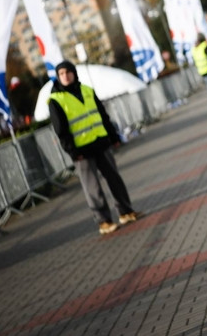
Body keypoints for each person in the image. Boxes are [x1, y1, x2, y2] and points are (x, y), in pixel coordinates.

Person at [49, 61, 139, 235]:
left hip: (101, 143)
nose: (65, 76)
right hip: (82, 151)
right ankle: (104, 221)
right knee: (92, 187)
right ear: (58, 77)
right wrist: (73, 152)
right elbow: (61, 130)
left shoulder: (87, 90)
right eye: (61, 74)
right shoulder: (55, 100)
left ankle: (126, 212)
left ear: (74, 73)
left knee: (114, 179)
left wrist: (113, 137)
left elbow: (103, 115)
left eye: (68, 72)